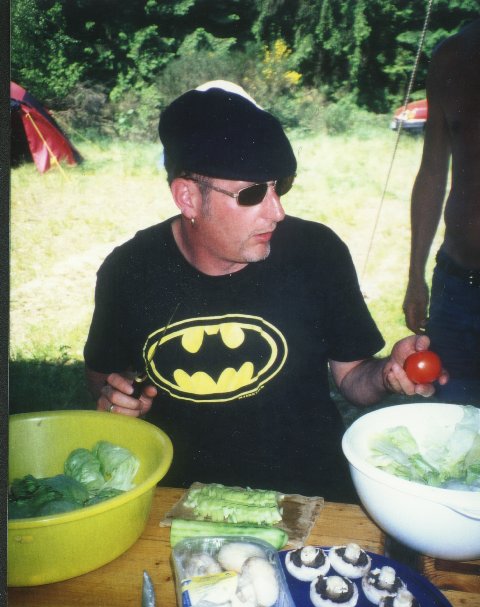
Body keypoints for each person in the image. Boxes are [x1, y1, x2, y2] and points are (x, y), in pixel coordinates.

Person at [84, 86, 447, 501]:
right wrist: (117, 399)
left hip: (308, 490)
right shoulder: (130, 271)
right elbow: (101, 378)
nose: (277, 211)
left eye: (280, 186)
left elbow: (351, 378)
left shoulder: (317, 253)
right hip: (182, 494)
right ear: (188, 197)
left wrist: (385, 374)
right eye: (253, 193)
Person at [402, 18, 480, 406]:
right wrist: (415, 276)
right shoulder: (453, 56)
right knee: (447, 420)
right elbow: (432, 171)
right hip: (456, 285)